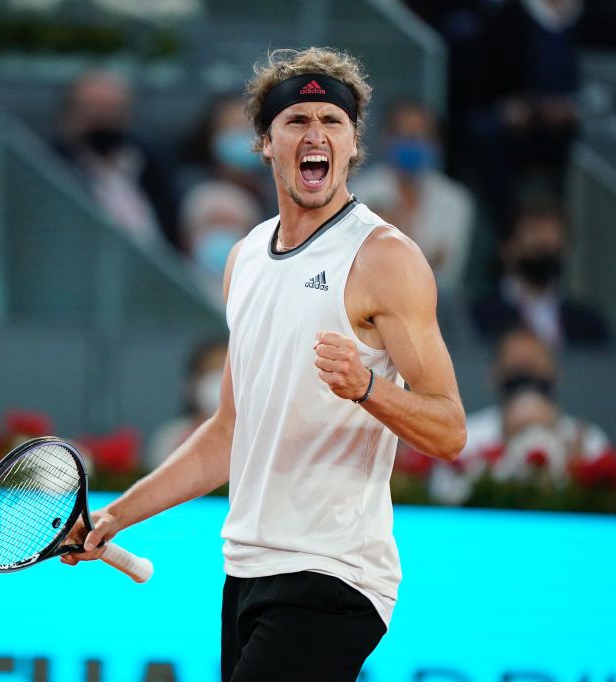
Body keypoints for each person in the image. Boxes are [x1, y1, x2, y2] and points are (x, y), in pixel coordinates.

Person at [61, 47, 467, 681]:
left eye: (332, 122)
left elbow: (449, 430)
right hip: (248, 571)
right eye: (297, 120)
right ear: (266, 144)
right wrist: (116, 515)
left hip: (335, 573)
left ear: (353, 144)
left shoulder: (385, 259)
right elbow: (228, 432)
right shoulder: (245, 258)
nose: (316, 134)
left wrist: (367, 387)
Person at [429, 325, 610, 503]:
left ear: (556, 372)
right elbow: (441, 495)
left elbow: (609, 502)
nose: (525, 376)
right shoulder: (466, 437)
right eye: (516, 368)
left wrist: (570, 463)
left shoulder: (587, 439)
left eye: (533, 366)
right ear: (494, 374)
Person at [351, 99, 474, 295]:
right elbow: (358, 265)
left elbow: (446, 272)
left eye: (420, 135)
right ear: (386, 137)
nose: (412, 142)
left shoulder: (455, 200)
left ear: (436, 143)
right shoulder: (358, 193)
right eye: (404, 134)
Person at [50, 70, 180, 249]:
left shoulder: (150, 164)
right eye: (92, 109)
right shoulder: (51, 168)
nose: (103, 118)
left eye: (112, 109)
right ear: (69, 114)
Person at [470, 195, 611, 348]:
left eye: (552, 246)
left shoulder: (588, 324)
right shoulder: (479, 318)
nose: (544, 246)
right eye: (535, 244)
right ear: (507, 248)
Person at [144, 339, 228, 470]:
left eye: (226, 372)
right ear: (193, 383)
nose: (220, 380)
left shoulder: (254, 438)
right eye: (212, 372)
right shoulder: (171, 438)